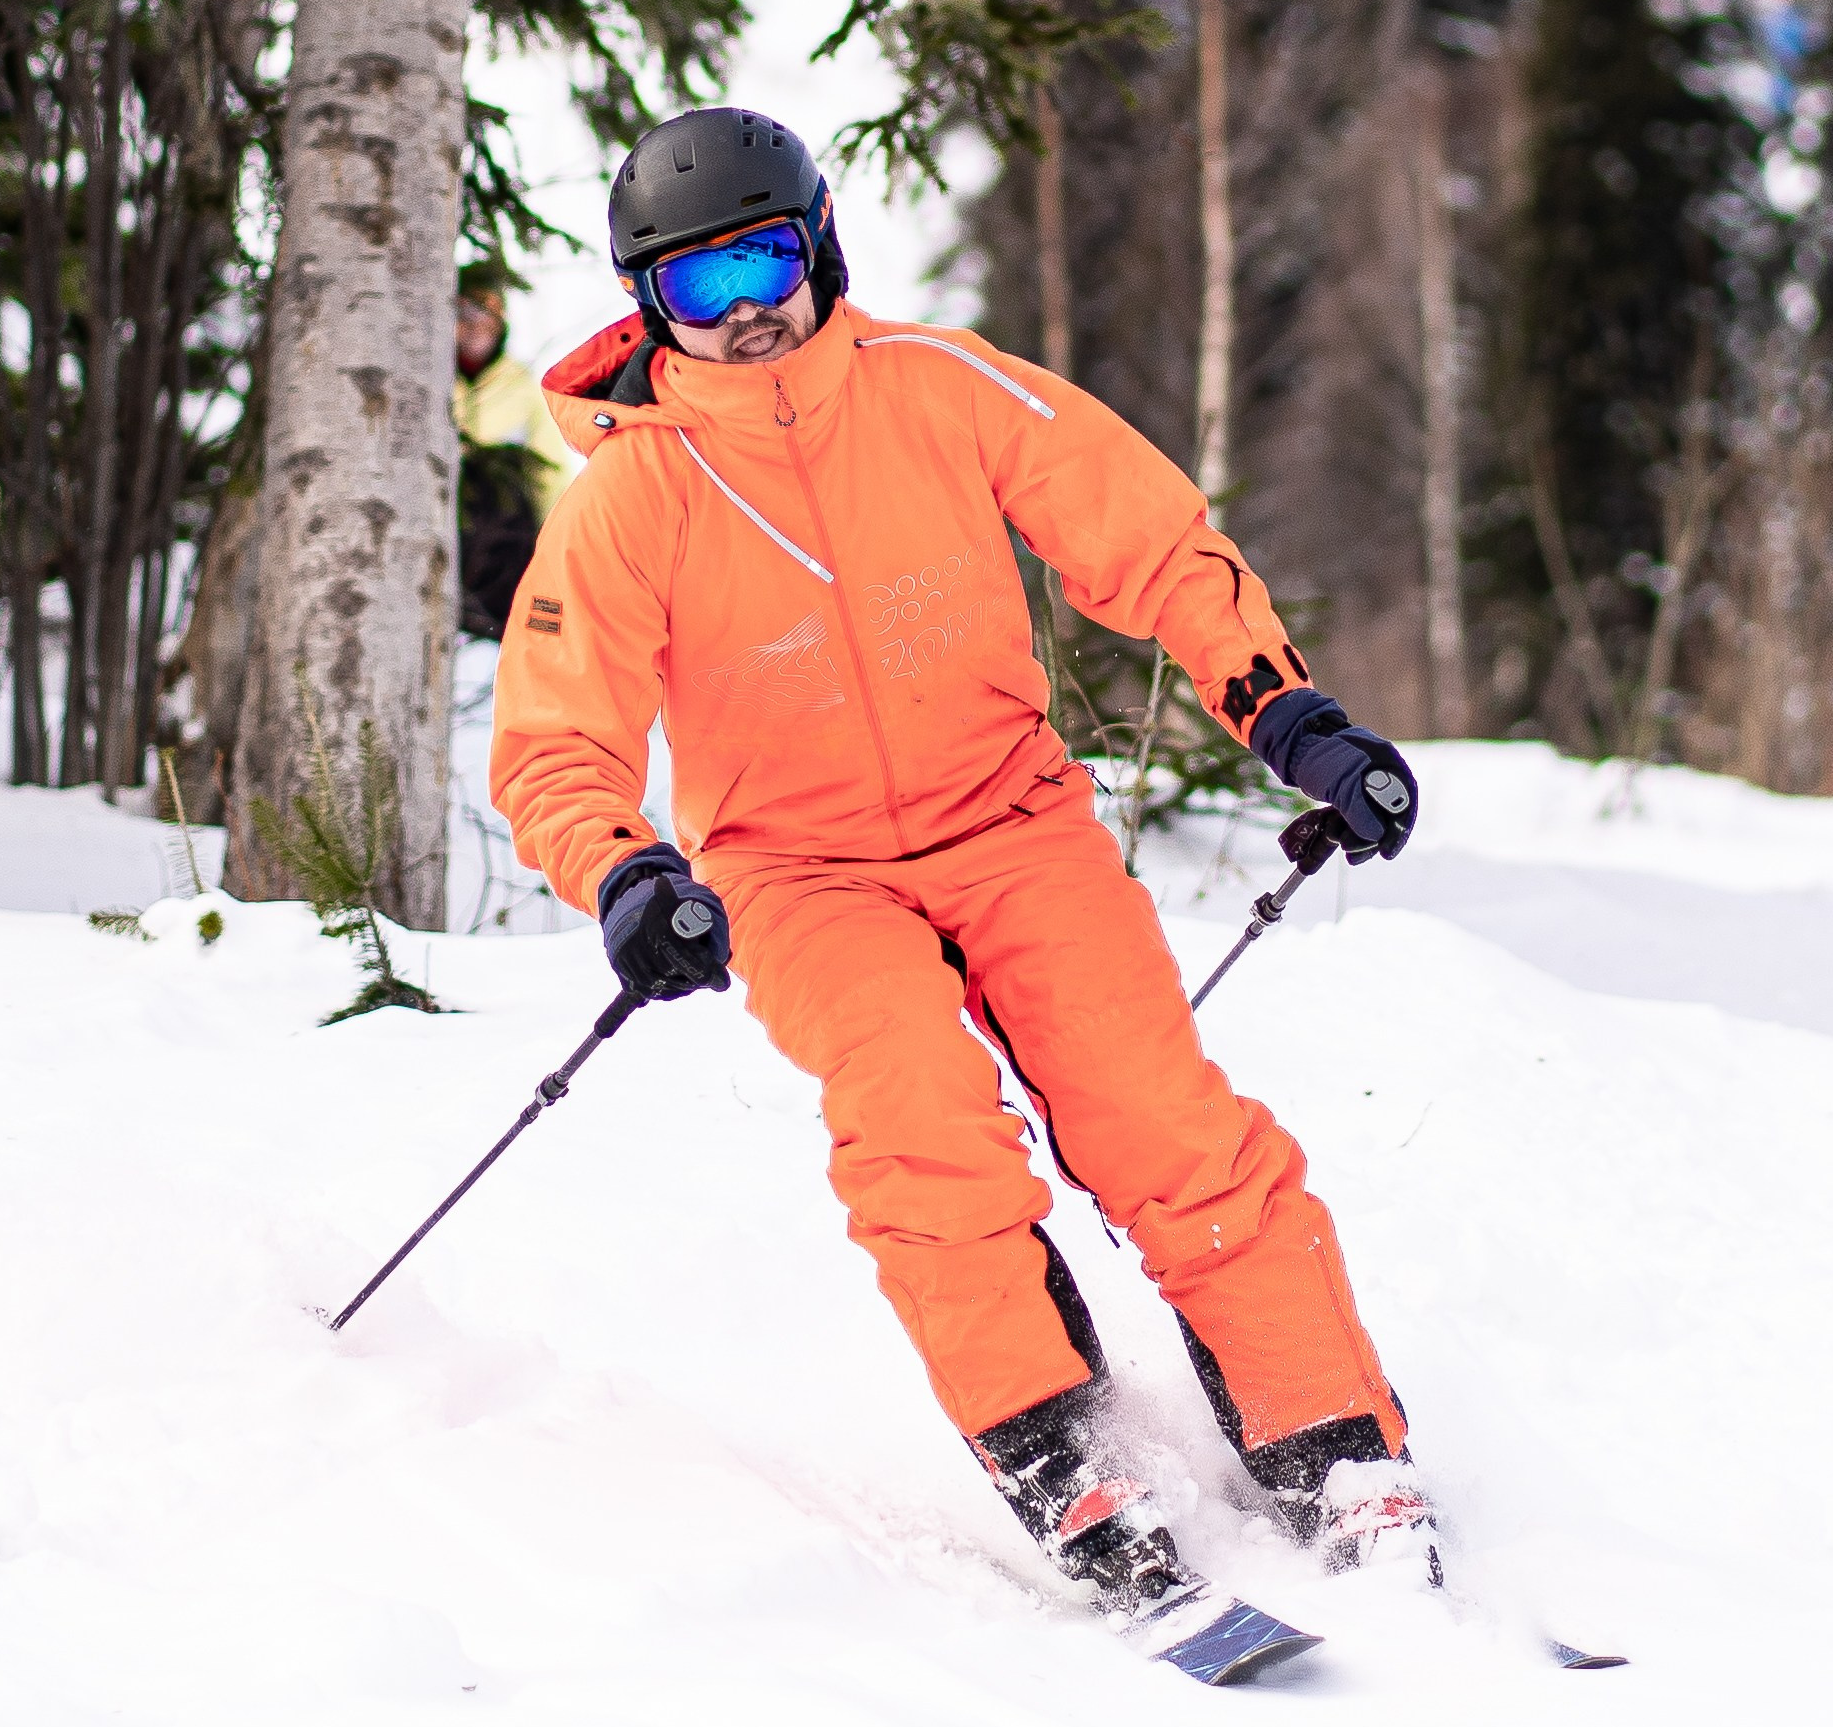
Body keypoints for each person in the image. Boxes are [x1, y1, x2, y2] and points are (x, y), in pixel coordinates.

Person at [490, 105, 1433, 1620]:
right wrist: (622, 871)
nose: (741, 314)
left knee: (1159, 1118)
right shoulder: (629, 498)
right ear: (646, 304)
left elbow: (1150, 539)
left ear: (817, 249)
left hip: (1009, 819)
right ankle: (1061, 1449)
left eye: (762, 260)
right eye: (696, 284)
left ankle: (1333, 1441)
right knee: (918, 1126)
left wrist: (1288, 711)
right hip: (796, 870)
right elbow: (552, 739)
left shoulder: (939, 388)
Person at [454, 268, 573, 640]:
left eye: (484, 315)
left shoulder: (522, 386)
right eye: (463, 315)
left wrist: (557, 540)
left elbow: (549, 469)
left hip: (502, 534)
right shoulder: (425, 379)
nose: (474, 327)